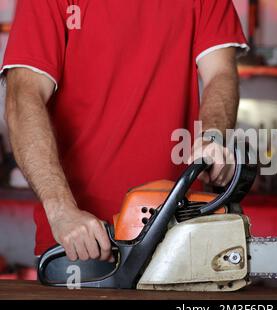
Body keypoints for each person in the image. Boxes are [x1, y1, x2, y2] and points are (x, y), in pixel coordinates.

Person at [1, 0, 248, 262]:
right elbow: (23, 96)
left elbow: (220, 74)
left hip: (180, 232)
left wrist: (212, 137)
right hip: (80, 238)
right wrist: (61, 211)